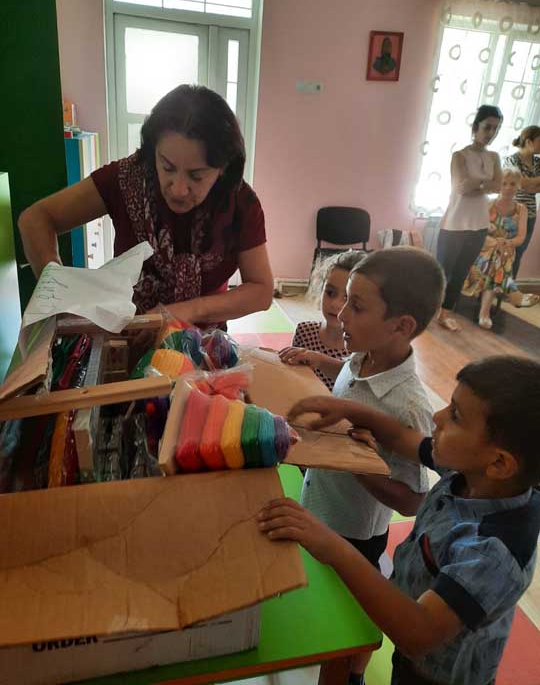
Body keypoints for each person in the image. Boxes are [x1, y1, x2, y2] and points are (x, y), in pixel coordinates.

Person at [259, 355, 540, 685]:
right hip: (412, 649)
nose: (436, 417)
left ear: (500, 464)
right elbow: (401, 437)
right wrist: (348, 410)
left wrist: (332, 546)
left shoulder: (494, 552)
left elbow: (418, 634)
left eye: (455, 416)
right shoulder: (473, 472)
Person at [280, 247, 445, 685]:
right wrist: (320, 361)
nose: (341, 314)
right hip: (321, 506)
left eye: (356, 305)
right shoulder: (363, 354)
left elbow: (412, 502)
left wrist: (353, 462)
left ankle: (350, 675)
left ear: (401, 326)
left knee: (350, 620)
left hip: (354, 534)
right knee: (322, 604)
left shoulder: (409, 406)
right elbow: (354, 381)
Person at [18, 85, 273, 327]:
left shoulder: (239, 202)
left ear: (223, 168)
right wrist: (58, 293)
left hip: (203, 344)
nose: (178, 189)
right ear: (153, 152)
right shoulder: (126, 179)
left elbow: (261, 290)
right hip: (125, 335)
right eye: (167, 167)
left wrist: (187, 311)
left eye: (196, 176)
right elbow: (36, 219)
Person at [437, 105, 503, 331]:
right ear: (476, 127)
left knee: (460, 273)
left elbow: (498, 186)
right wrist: (485, 185)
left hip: (479, 225)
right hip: (454, 224)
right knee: (442, 273)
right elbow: (461, 187)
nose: (491, 133)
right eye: (487, 127)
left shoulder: (494, 157)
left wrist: (476, 184)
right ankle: (427, 309)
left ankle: (445, 314)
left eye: (495, 129)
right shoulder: (460, 156)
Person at [462, 167, 539, 329]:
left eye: (512, 184)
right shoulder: (488, 204)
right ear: (499, 185)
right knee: (498, 255)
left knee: (499, 256)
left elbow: (521, 238)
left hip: (505, 251)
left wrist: (507, 243)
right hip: (483, 248)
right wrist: (495, 242)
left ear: (519, 186)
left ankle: (486, 311)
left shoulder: (522, 209)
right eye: (504, 183)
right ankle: (509, 295)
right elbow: (477, 232)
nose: (508, 187)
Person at [279, 250, 366, 390]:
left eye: (347, 297)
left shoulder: (362, 350)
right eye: (330, 293)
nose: (335, 304)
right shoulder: (304, 332)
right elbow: (293, 377)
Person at [504, 125, 540, 277]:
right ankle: (497, 287)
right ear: (528, 141)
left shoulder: (538, 161)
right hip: (512, 213)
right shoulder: (512, 160)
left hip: (530, 214)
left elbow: (529, 186)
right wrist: (530, 183)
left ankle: (509, 287)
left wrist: (528, 183)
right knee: (506, 251)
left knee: (519, 253)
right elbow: (521, 184)